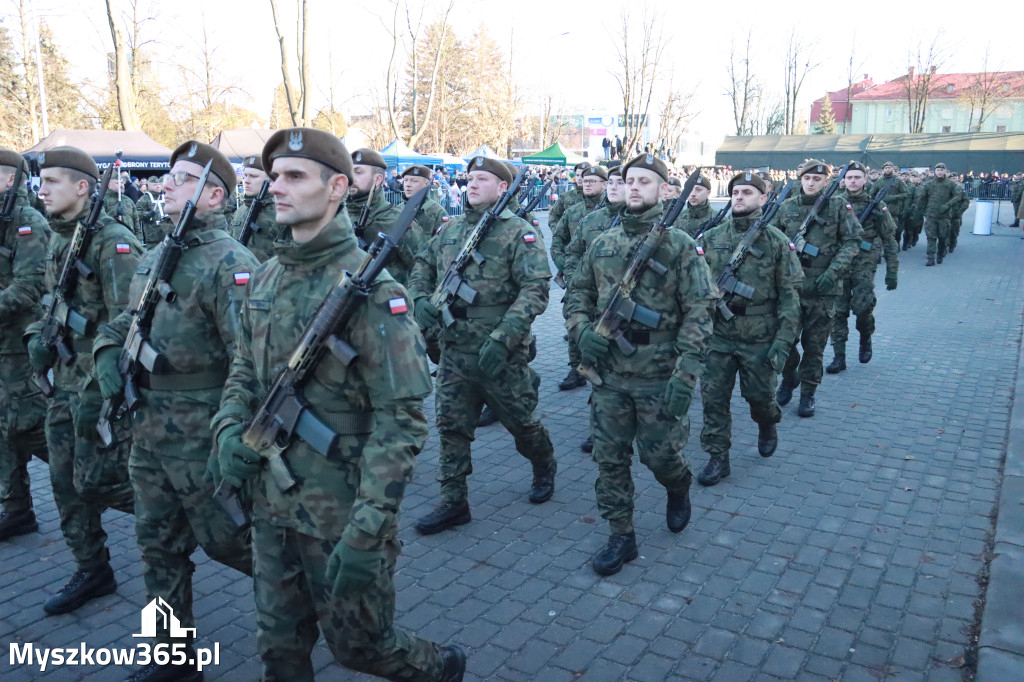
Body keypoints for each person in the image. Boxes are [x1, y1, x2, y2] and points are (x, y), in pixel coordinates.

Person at [213, 128, 466, 682]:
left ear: (336, 189)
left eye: (294, 176)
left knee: (361, 648)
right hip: (269, 505)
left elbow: (401, 423)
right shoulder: (267, 275)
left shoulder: (378, 294)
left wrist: (368, 529)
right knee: (279, 651)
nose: (276, 186)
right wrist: (229, 428)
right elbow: (242, 371)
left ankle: (440, 667)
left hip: (341, 512)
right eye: (274, 175)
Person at [92, 142, 259, 682]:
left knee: (236, 544)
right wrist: (103, 352)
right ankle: (172, 657)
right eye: (169, 177)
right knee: (157, 545)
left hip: (200, 433)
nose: (166, 185)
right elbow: (128, 321)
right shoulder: (155, 253)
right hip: (149, 430)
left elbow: (252, 358)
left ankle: (319, 602)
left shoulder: (231, 262)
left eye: (183, 179)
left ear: (214, 195)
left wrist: (232, 437)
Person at [563, 154, 713, 576]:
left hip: (659, 374)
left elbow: (700, 309)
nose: (634, 187)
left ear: (663, 190)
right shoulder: (603, 243)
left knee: (660, 457)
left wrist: (686, 373)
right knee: (610, 459)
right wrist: (581, 332)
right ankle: (621, 534)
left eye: (645, 181)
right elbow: (576, 296)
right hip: (609, 374)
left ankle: (678, 486)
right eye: (630, 180)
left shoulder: (680, 245)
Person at [409, 156, 555, 536]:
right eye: (470, 178)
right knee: (451, 427)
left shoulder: (518, 232)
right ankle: (453, 501)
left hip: (500, 352)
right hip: (454, 348)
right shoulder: (451, 229)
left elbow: (536, 289)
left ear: (502, 187)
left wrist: (505, 338)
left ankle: (544, 463)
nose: (471, 185)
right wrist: (419, 298)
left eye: (482, 179)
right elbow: (422, 265)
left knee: (521, 423)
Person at [27, 146, 142, 615]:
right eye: (41, 180)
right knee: (63, 480)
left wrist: (101, 387)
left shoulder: (112, 244)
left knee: (101, 481)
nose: (42, 189)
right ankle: (92, 567)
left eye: (53, 181)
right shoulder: (61, 238)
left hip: (97, 386)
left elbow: (130, 323)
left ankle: (178, 516)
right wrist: (38, 336)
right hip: (66, 380)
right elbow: (48, 301)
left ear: (81, 187)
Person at [695, 172, 802, 486]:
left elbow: (790, 297)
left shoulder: (778, 242)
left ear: (762, 198)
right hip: (718, 337)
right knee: (713, 399)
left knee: (760, 399)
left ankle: (767, 423)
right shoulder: (711, 239)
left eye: (746, 192)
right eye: (735, 192)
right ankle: (718, 457)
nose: (739, 197)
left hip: (760, 337)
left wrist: (783, 342)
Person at [772, 159, 862, 418]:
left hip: (823, 291)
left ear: (827, 182)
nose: (811, 183)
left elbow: (853, 241)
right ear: (800, 179)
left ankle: (808, 393)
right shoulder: (785, 207)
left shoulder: (838, 207)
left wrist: (834, 272)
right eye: (807, 178)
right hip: (790, 291)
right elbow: (773, 244)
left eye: (817, 179)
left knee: (814, 347)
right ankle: (790, 378)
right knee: (785, 343)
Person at [0, 149, 51, 541]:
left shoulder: (27, 222)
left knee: (29, 424)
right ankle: (16, 507)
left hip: (18, 345)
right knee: (2, 430)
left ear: (9, 179)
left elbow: (29, 288)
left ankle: (87, 481)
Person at [826, 162, 899, 374]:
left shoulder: (876, 205)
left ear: (865, 180)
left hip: (864, 263)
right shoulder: (833, 204)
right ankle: (839, 356)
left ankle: (865, 336)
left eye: (857, 177)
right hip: (838, 263)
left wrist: (892, 270)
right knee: (837, 311)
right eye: (849, 178)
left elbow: (889, 239)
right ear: (843, 180)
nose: (853, 181)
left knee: (863, 307)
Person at [552, 164, 607, 391]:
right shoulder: (573, 212)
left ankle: (603, 367)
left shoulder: (614, 211)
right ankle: (576, 369)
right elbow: (558, 241)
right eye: (585, 180)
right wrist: (567, 268)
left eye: (593, 181)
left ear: (604, 185)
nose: (587, 184)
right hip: (577, 280)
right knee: (574, 322)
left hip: (607, 282)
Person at [346, 149, 424, 286]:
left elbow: (422, 270)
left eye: (358, 172)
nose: (351, 178)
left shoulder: (398, 220)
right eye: (349, 171)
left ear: (378, 179)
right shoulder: (338, 215)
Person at [229, 154, 281, 263]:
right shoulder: (241, 211)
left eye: (253, 176)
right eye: (245, 175)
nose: (246, 181)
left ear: (271, 180)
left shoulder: (282, 211)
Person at [914, 162, 958, 266]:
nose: (940, 172)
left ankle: (941, 252)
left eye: (942, 170)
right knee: (931, 236)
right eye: (938, 170)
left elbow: (957, 197)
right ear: (935, 171)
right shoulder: (929, 184)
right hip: (931, 215)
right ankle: (930, 257)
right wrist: (918, 212)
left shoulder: (950, 184)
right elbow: (922, 199)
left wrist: (947, 206)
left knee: (943, 236)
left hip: (944, 215)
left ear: (945, 171)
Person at [401, 165, 449, 236]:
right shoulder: (399, 209)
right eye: (405, 180)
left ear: (426, 184)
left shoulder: (437, 212)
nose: (408, 185)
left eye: (414, 181)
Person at [870, 161, 910, 247]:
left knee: (895, 230)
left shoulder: (898, 181)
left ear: (893, 169)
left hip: (894, 210)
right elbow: (871, 194)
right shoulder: (879, 181)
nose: (888, 169)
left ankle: (895, 245)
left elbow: (906, 194)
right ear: (883, 170)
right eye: (886, 168)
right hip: (881, 211)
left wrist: (894, 197)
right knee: (881, 229)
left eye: (889, 167)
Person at [548, 161, 589, 226]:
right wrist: (557, 232)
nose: (579, 178)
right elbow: (554, 214)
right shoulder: (567, 196)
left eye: (583, 175)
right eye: (577, 175)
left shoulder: (597, 196)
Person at [103, 172, 141, 239]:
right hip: (111, 239)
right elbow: (100, 221)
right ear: (109, 185)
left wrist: (139, 239)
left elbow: (136, 222)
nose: (121, 185)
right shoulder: (103, 200)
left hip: (129, 238)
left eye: (122, 183)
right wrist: (115, 212)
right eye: (117, 183)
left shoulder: (128, 201)